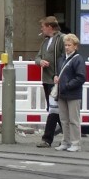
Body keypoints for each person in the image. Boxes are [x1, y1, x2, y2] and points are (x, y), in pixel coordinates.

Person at [35, 16, 64, 148]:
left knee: (53, 110)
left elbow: (64, 58)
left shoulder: (61, 39)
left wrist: (58, 74)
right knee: (55, 110)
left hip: (56, 79)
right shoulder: (45, 42)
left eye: (43, 27)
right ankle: (70, 135)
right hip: (47, 80)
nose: (41, 29)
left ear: (49, 27)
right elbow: (37, 57)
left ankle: (47, 139)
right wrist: (40, 61)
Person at [54, 33, 86, 152]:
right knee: (64, 120)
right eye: (66, 45)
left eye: (69, 45)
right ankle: (66, 141)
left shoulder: (78, 59)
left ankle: (75, 143)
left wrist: (67, 85)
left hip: (72, 94)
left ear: (75, 46)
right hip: (63, 93)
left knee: (73, 120)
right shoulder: (62, 58)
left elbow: (81, 77)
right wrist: (56, 76)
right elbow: (58, 72)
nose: (67, 47)